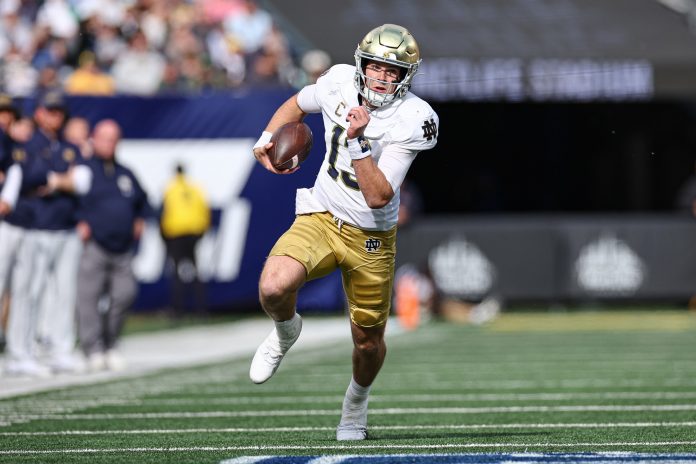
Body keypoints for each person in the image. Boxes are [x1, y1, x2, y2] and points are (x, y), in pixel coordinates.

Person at [249, 24, 439, 441]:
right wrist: (266, 139)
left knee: (368, 342)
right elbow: (296, 104)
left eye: (393, 71)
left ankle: (355, 405)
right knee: (273, 287)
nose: (382, 78)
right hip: (322, 213)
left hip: (371, 236)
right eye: (376, 67)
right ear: (361, 64)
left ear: (406, 76)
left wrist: (357, 142)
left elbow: (378, 195)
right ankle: (286, 331)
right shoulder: (336, 82)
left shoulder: (414, 118)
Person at [48, 119, 149, 372]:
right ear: (94, 139)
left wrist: (139, 219)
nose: (109, 143)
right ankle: (92, 348)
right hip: (94, 245)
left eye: (114, 138)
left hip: (123, 247)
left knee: (125, 294)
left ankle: (110, 343)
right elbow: (65, 203)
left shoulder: (125, 173)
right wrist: (80, 221)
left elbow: (143, 201)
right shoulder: (83, 169)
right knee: (88, 300)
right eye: (105, 138)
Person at [160, 163, 211, 319]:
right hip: (193, 232)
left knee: (177, 272)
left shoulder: (170, 189)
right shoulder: (195, 188)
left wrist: (164, 234)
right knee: (195, 270)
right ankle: (201, 308)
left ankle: (177, 309)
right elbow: (204, 209)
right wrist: (201, 230)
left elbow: (164, 212)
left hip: (176, 233)